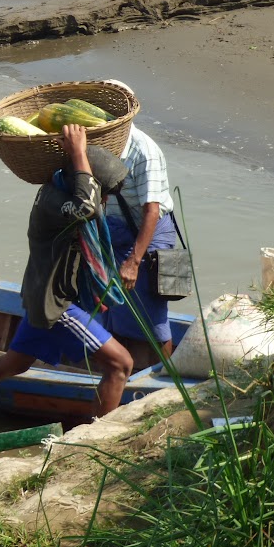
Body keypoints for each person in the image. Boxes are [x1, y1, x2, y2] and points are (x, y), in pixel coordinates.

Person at [0, 124, 134, 437]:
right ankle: (97, 442)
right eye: (101, 192)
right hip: (56, 304)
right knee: (121, 364)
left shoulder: (59, 194)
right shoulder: (55, 201)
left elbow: (86, 224)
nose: (102, 201)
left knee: (15, 362)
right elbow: (87, 208)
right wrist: (78, 151)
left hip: (47, 295)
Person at [100, 80, 178, 371]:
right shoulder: (102, 142)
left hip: (149, 233)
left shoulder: (143, 150)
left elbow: (152, 211)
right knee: (118, 310)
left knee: (151, 313)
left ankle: (166, 381)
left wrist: (134, 261)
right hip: (117, 231)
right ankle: (124, 374)